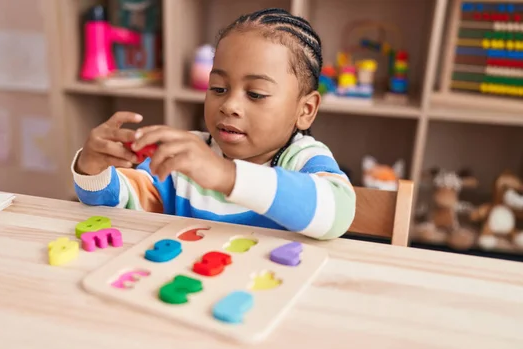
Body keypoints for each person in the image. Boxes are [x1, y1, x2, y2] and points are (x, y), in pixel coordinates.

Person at [71, 8, 356, 240]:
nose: (229, 105)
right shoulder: (188, 156)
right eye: (218, 88)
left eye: (256, 94)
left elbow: (337, 213)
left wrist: (226, 175)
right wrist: (93, 168)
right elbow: (120, 204)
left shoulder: (304, 158)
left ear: (305, 110)